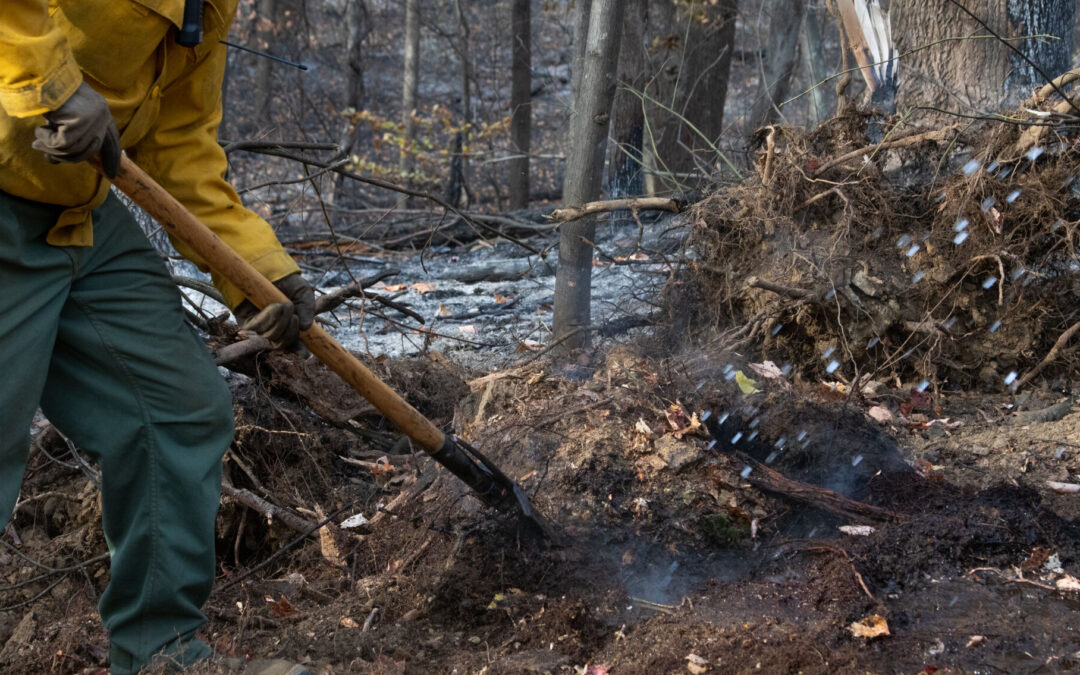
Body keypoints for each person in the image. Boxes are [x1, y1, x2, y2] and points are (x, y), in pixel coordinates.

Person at [1, 1, 313, 672]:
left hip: (75, 212)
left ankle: (161, 653)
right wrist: (49, 86)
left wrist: (263, 273)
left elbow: (179, 141)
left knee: (176, 408)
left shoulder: (208, 6)